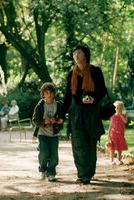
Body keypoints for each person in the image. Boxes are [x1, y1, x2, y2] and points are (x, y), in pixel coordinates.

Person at [59, 44, 107, 185]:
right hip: (76, 112)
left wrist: (94, 99)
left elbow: (103, 90)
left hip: (92, 111)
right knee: (78, 143)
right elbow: (68, 96)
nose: (76, 55)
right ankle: (82, 174)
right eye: (74, 53)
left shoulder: (95, 71)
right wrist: (61, 115)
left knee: (91, 142)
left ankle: (89, 171)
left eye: (79, 52)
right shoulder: (71, 73)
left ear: (85, 55)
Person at [32, 82, 63, 182]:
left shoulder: (58, 105)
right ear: (43, 94)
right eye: (47, 93)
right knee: (44, 152)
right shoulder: (40, 105)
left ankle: (51, 173)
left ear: (54, 93)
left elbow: (63, 117)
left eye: (51, 93)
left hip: (54, 134)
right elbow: (35, 119)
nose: (49, 95)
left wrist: (58, 120)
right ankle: (43, 169)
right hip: (42, 133)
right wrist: (44, 121)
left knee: (54, 155)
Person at [107, 100, 128, 165]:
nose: (118, 109)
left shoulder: (124, 115)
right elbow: (110, 126)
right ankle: (111, 160)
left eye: (119, 108)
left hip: (121, 134)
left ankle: (119, 159)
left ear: (122, 109)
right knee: (112, 148)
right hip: (113, 134)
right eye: (117, 108)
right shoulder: (113, 117)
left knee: (120, 148)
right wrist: (108, 134)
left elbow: (125, 122)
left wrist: (120, 114)